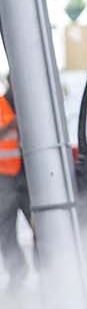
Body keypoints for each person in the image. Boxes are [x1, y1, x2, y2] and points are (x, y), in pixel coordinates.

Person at [0, 81, 29, 290]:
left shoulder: (32, 105)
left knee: (42, 225)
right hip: (4, 178)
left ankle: (48, 269)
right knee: (6, 230)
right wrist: (8, 128)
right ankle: (16, 272)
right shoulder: (1, 105)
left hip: (27, 178)